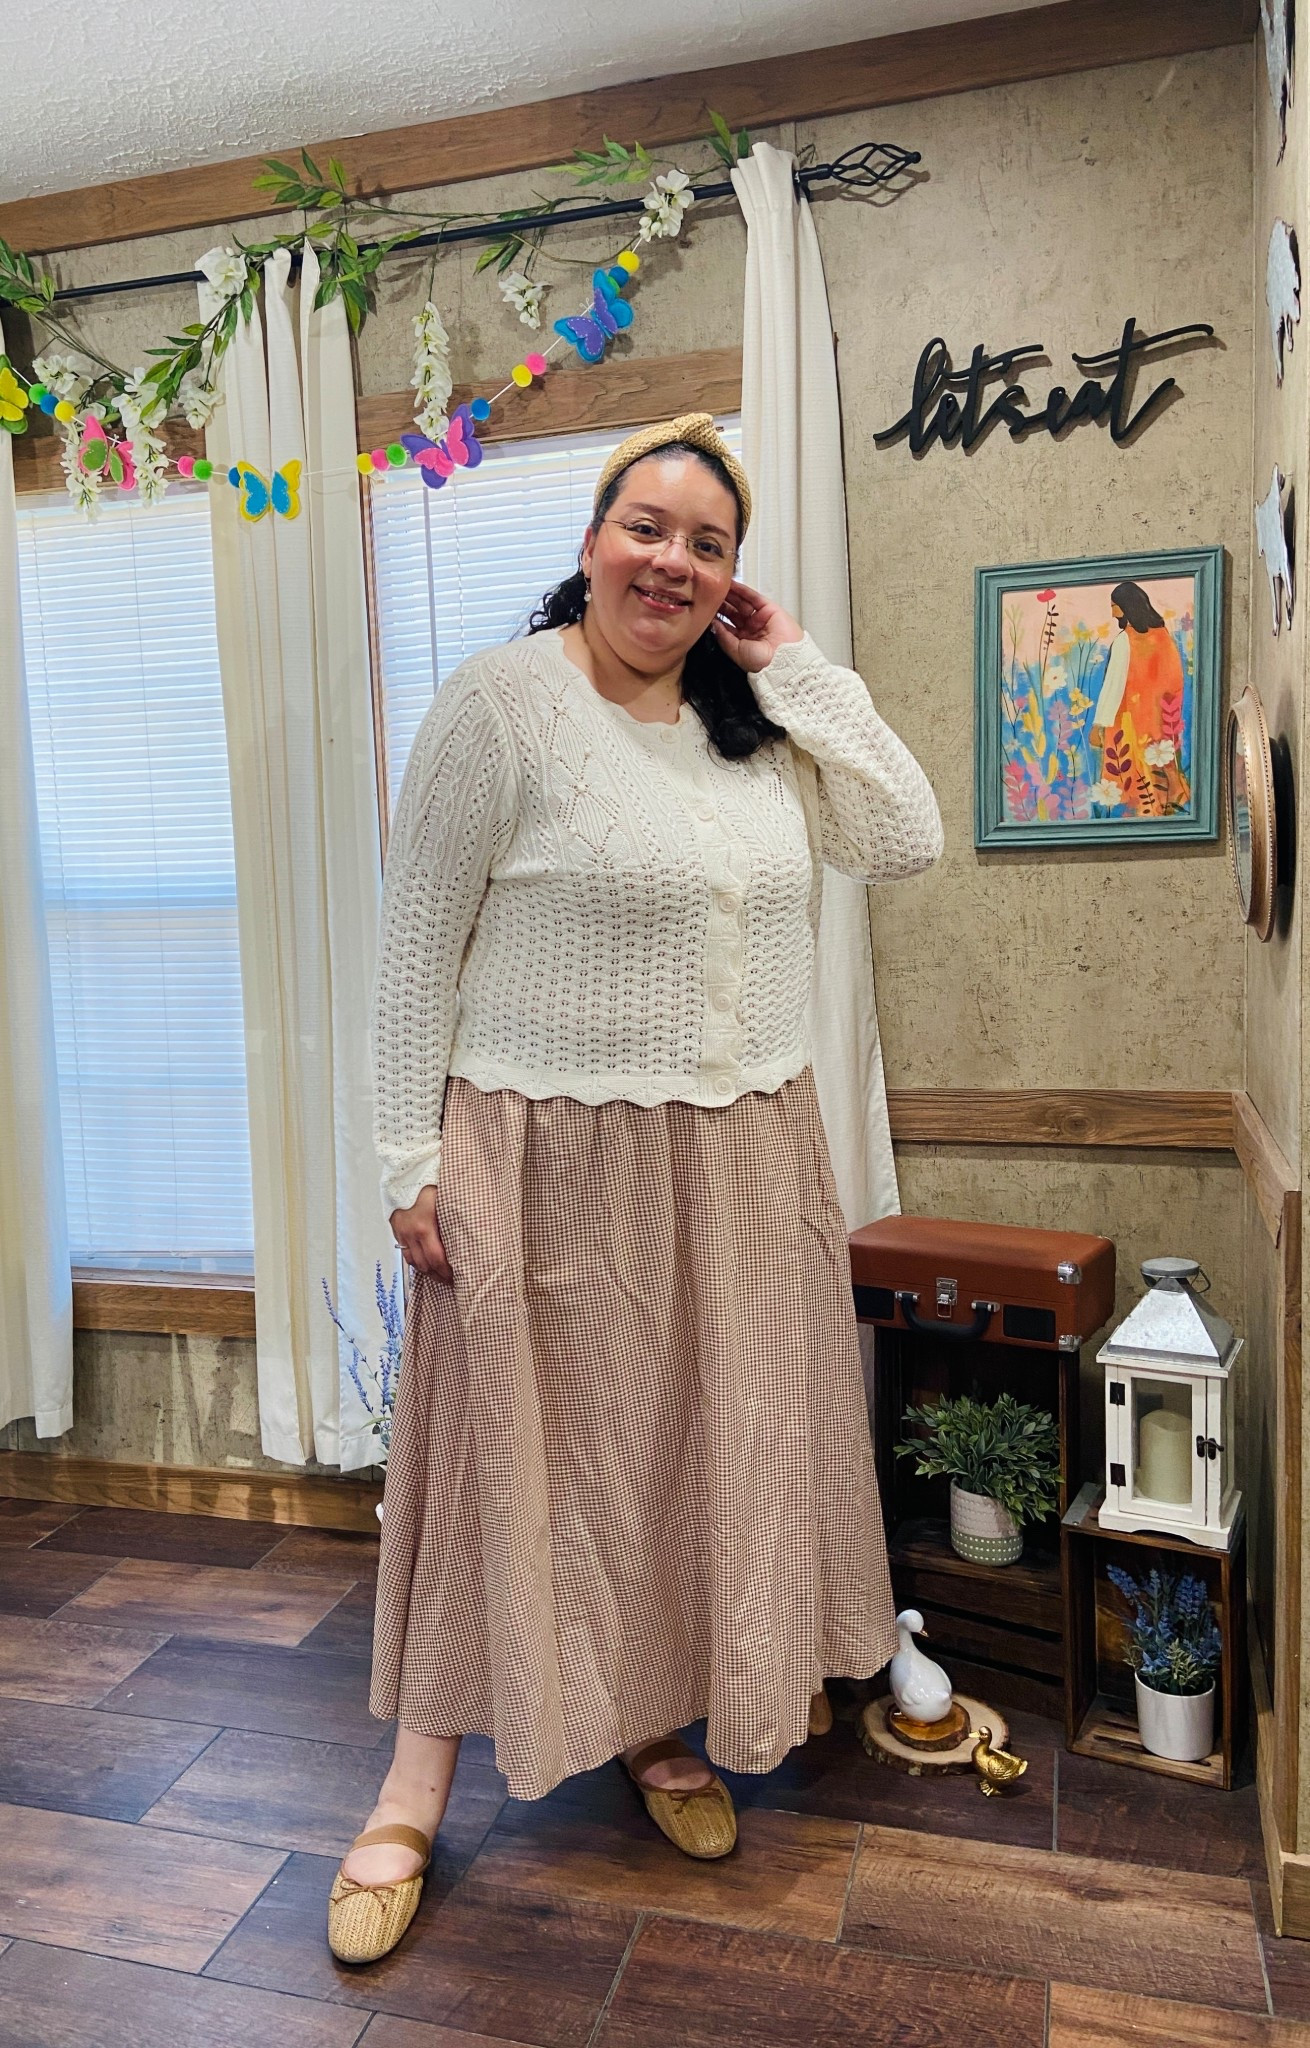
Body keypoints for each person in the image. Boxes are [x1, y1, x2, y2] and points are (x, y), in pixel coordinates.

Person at [326, 412, 944, 1965]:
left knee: (682, 1451)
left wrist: (793, 663)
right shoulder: (500, 709)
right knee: (503, 1466)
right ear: (591, 541)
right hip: (541, 1153)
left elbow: (907, 832)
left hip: (739, 1148)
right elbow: (414, 954)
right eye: (647, 526)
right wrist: (411, 1160)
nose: (672, 559)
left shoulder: (754, 724)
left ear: (733, 580)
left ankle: (651, 1726)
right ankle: (413, 1785)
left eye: (709, 543)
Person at [1089, 581, 1190, 814]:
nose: (1112, 611)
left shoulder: (1125, 641)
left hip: (1130, 723)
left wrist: (1099, 725)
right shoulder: (1164, 637)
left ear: (1126, 607)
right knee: (1161, 776)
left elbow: (1113, 688)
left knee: (1137, 781)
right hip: (1160, 723)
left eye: (1114, 605)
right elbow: (1175, 680)